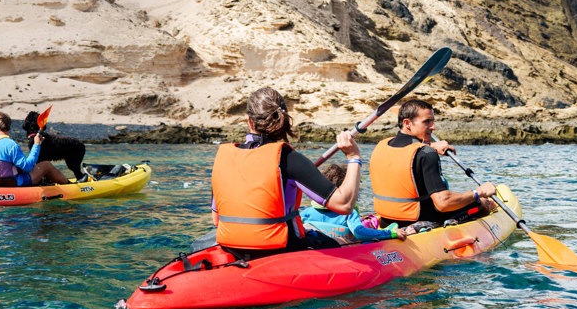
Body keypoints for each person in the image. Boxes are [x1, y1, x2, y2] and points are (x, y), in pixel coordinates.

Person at [210, 87, 363, 260]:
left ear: (250, 122)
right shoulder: (289, 158)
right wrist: (353, 156)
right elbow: (344, 205)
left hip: (232, 249)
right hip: (279, 251)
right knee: (334, 244)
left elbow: (217, 220)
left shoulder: (223, 156)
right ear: (283, 120)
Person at [369, 99, 497, 228]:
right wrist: (478, 192)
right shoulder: (426, 153)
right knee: (483, 203)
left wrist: (431, 145)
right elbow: (443, 203)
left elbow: (406, 151)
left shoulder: (382, 145)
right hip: (419, 220)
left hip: (387, 220)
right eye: (426, 122)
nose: (433, 127)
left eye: (433, 121)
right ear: (407, 123)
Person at [301, 163, 412, 244]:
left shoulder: (306, 213)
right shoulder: (348, 213)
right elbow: (359, 232)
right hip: (345, 251)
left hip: (316, 249)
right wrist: (391, 233)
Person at [0, 111, 68, 187]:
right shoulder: (11, 144)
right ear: (9, 127)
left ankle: (46, 181)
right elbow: (28, 167)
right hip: (10, 183)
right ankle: (69, 185)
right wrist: (36, 145)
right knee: (46, 165)